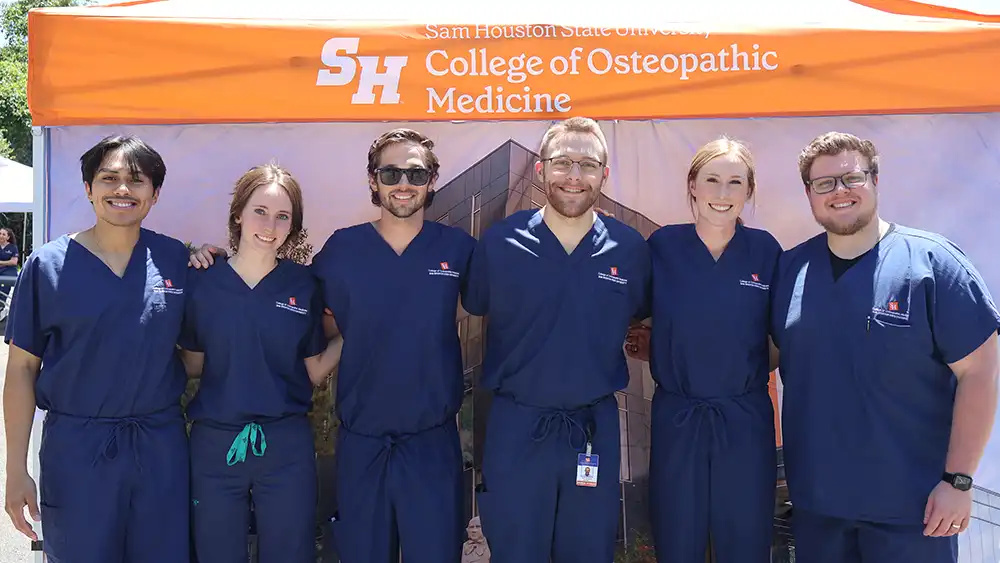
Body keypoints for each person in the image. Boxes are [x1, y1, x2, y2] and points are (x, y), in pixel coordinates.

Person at [189, 128, 475, 563]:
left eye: (416, 173)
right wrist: (208, 258)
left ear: (432, 180)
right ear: (372, 180)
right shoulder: (341, 250)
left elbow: (480, 309)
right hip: (360, 440)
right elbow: (292, 313)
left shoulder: (459, 250)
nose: (403, 183)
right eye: (391, 171)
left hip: (432, 442)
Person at [770, 132, 1000, 563]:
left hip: (913, 511)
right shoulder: (790, 270)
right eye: (824, 183)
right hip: (819, 510)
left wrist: (959, 481)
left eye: (851, 178)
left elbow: (981, 374)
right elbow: (757, 354)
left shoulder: (933, 264)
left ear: (875, 180)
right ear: (808, 194)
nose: (839, 191)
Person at [463, 117, 650, 562]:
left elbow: (642, 316)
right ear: (541, 170)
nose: (574, 175)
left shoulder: (629, 249)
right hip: (517, 427)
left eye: (588, 164)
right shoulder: (500, 242)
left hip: (592, 430)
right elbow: (476, 305)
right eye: (562, 162)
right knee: (515, 552)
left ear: (604, 174)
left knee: (587, 552)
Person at [3, 135, 191, 563]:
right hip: (78, 453)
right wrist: (16, 470)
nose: (122, 190)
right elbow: (20, 370)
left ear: (154, 194)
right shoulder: (47, 265)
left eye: (137, 181)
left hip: (159, 450)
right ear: (88, 188)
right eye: (109, 178)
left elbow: (195, 349)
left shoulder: (175, 259)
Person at [624, 137, 781, 563]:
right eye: (712, 179)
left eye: (735, 182)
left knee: (746, 540)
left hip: (744, 419)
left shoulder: (765, 251)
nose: (722, 193)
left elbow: (783, 337)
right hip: (679, 416)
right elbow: (635, 313)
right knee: (677, 538)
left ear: (749, 191)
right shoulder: (663, 247)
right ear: (692, 185)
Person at [178, 164, 344, 563]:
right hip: (216, 445)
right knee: (216, 552)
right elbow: (194, 366)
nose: (270, 225)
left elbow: (313, 371)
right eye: (260, 211)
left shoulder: (303, 286)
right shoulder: (203, 281)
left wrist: (354, 334)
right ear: (238, 213)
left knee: (290, 552)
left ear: (293, 225)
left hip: (285, 444)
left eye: (283, 216)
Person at [0, 226, 19, 314]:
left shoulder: (12, 247)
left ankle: (1, 306)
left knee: (4, 286)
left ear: (8, 237)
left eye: (4, 234)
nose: (1, 236)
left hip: (8, 272)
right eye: (0, 234)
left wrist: (1, 262)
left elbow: (14, 262)